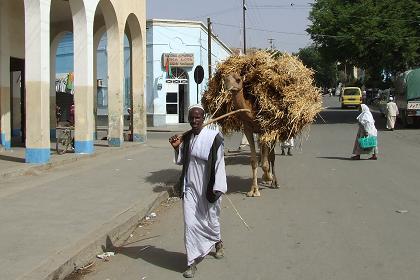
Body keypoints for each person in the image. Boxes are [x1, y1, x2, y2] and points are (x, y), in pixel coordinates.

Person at [169, 104, 227, 278]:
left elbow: (219, 163)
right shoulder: (186, 139)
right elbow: (181, 161)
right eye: (191, 118)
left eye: (198, 117)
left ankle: (217, 242)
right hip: (190, 188)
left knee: (211, 220)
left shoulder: (214, 137)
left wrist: (219, 187)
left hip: (208, 187)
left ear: (203, 118)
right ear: (188, 119)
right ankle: (191, 262)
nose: (194, 121)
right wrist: (176, 147)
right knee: (190, 224)